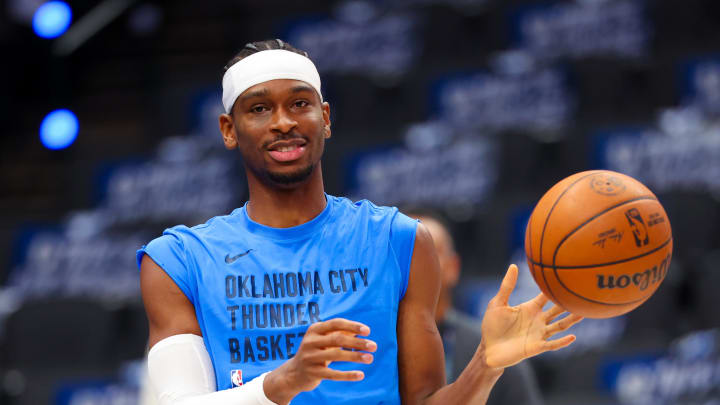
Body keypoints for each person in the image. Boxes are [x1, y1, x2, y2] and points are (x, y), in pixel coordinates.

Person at [137, 39, 583, 405]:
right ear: (228, 130)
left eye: (299, 103)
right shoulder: (179, 259)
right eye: (258, 109)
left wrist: (486, 364)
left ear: (325, 118)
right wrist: (285, 380)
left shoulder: (399, 240)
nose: (284, 122)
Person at [407, 211, 545, 405]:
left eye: (425, 252)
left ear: (452, 267)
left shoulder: (498, 350)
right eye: (403, 253)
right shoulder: (364, 345)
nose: (412, 264)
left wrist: (485, 365)